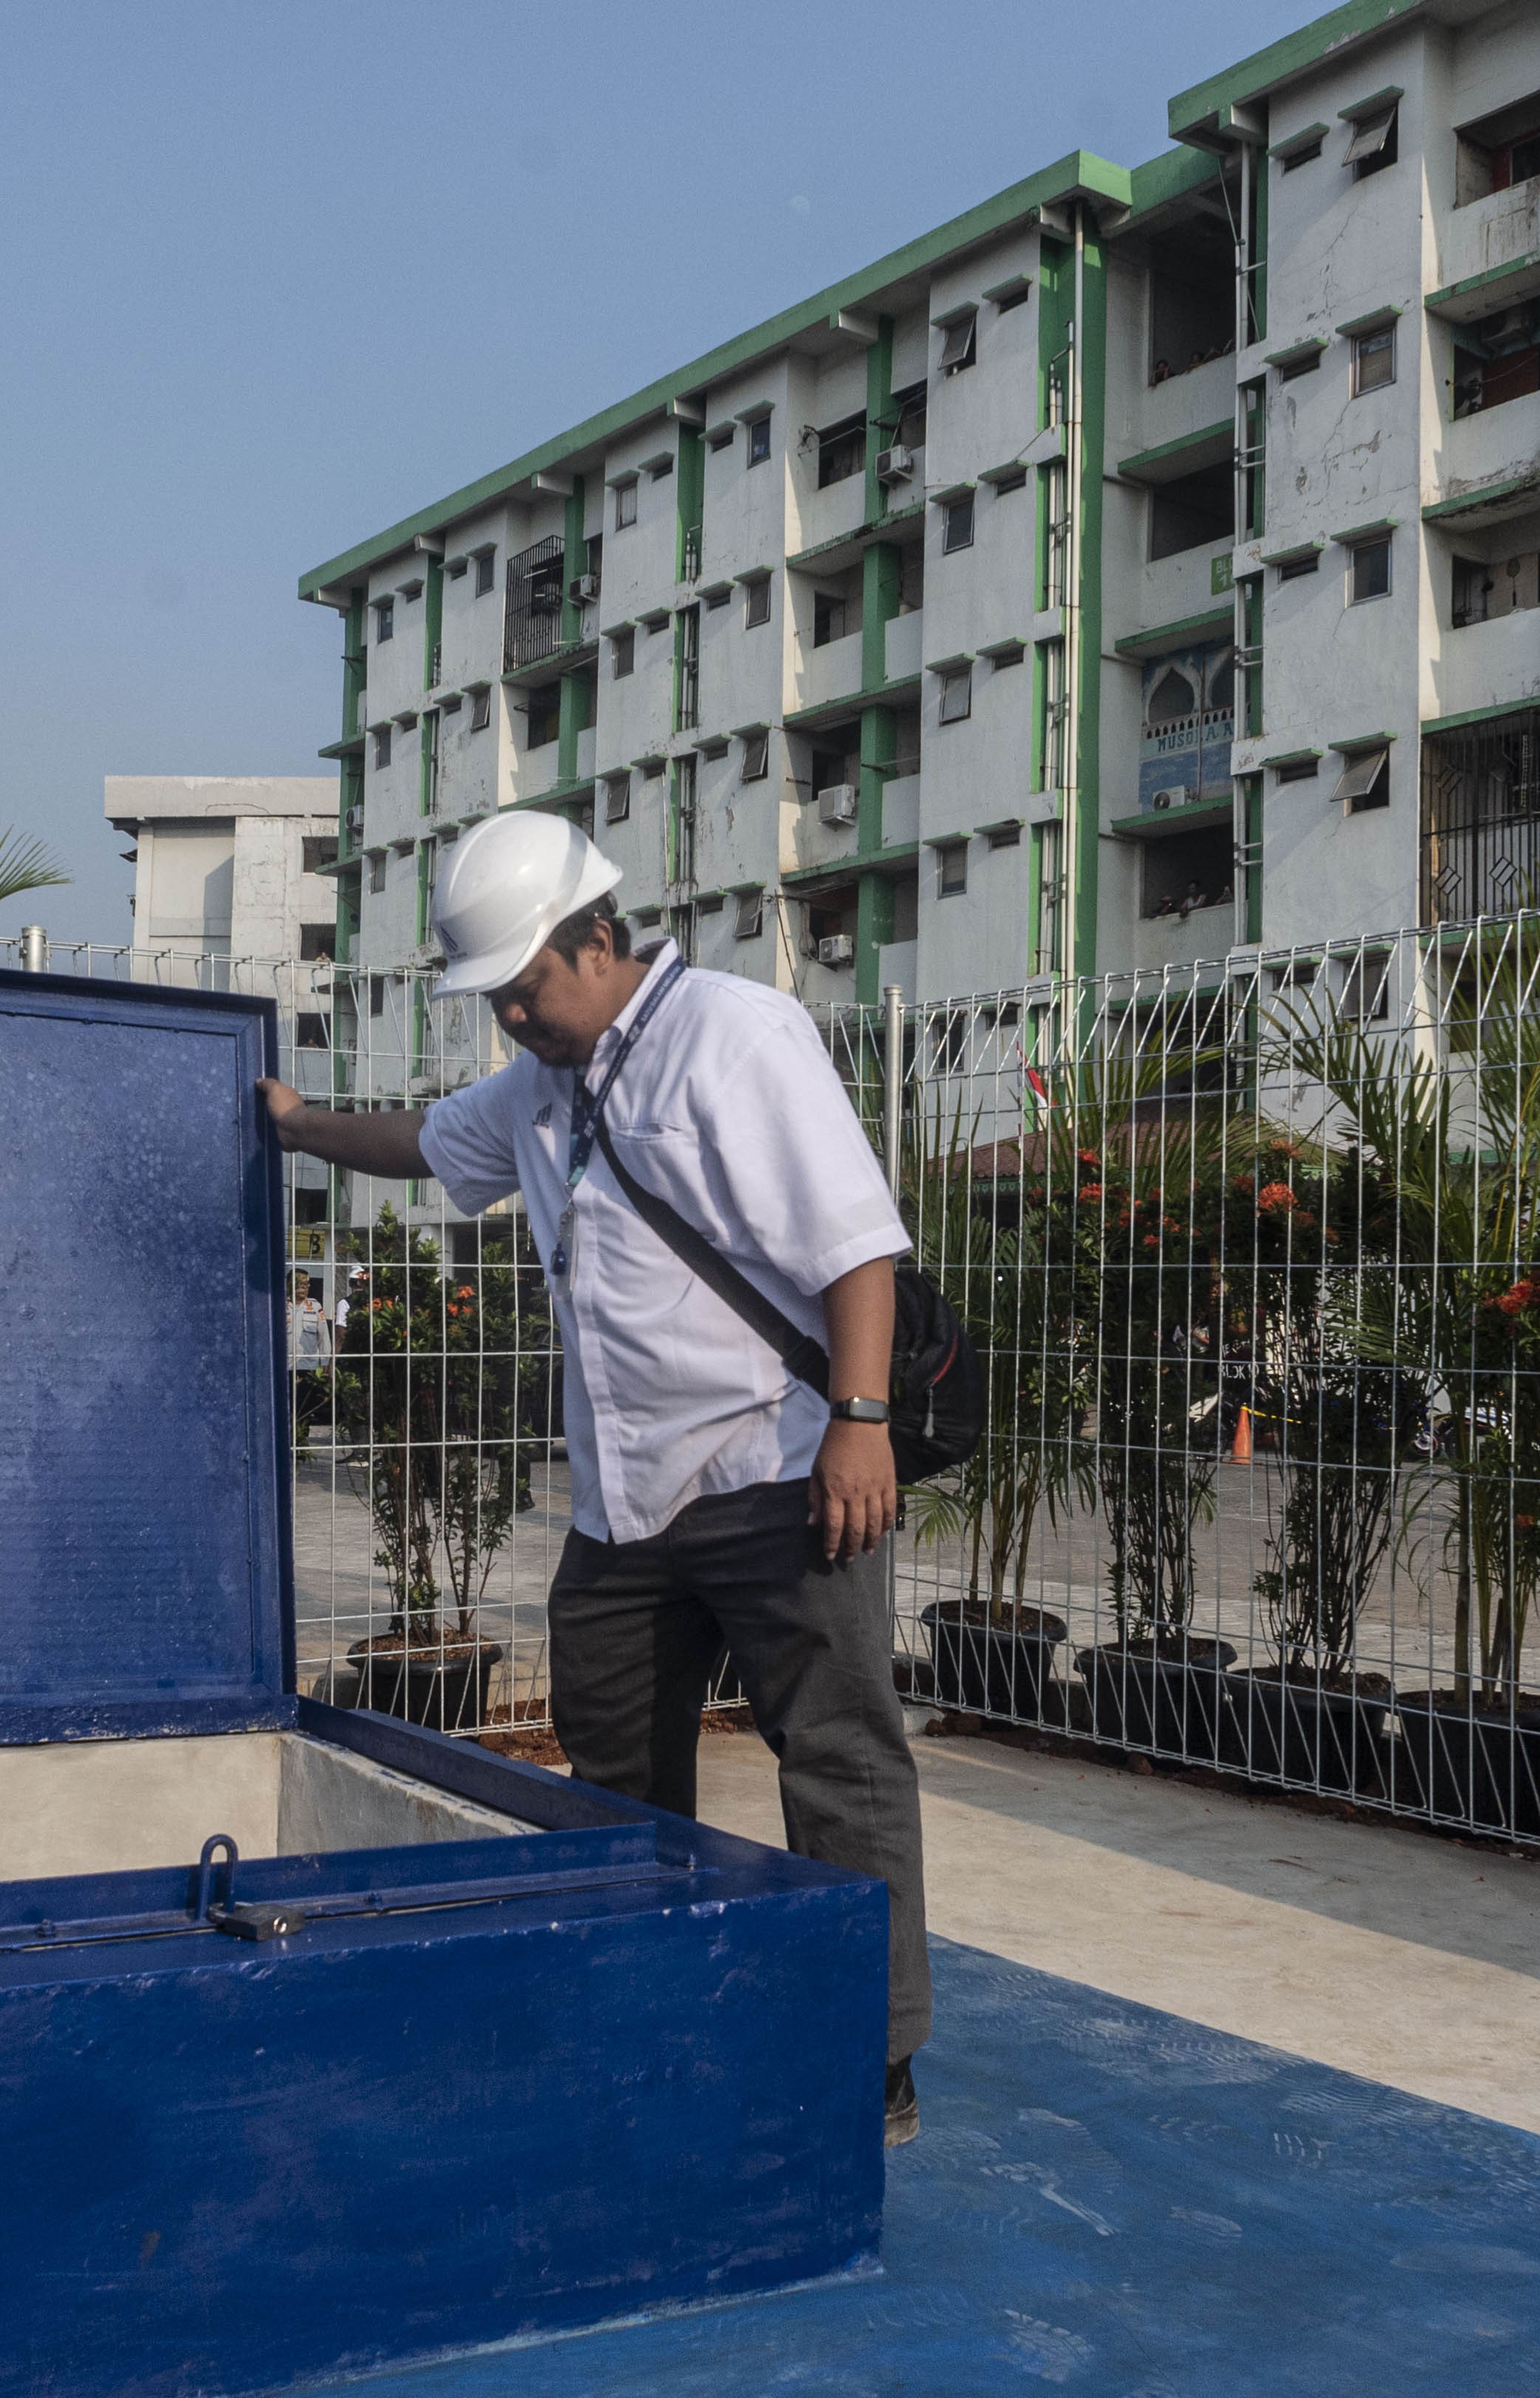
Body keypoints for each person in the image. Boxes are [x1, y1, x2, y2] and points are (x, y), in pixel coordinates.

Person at [256, 812, 932, 2146]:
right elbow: (424, 1142)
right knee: (612, 1756)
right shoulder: (536, 1091)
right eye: (496, 998)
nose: (513, 1016)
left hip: (776, 1466)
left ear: (601, 939)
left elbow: (857, 1242)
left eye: (527, 987)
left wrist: (860, 1419)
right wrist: (295, 1124)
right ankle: (653, 1995)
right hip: (625, 1504)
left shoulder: (735, 1036)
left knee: (839, 1759)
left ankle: (869, 2058)